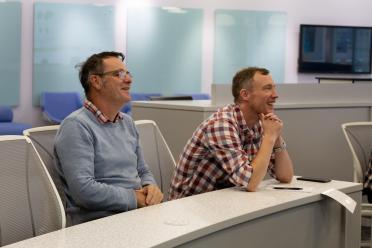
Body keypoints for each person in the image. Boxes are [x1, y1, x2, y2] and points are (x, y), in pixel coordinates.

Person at [54, 51, 163, 225]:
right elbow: (83, 191)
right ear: (96, 81)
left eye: (128, 73)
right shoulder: (76, 125)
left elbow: (142, 170)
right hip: (100, 223)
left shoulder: (127, 123)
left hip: (135, 215)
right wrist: (135, 199)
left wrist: (151, 187)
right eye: (119, 74)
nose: (128, 80)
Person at [169, 67, 294, 200]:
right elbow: (250, 182)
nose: (275, 95)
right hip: (188, 208)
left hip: (223, 201)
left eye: (274, 88)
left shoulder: (260, 123)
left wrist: (276, 136)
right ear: (245, 95)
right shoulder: (221, 125)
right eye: (267, 88)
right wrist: (269, 137)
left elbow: (285, 176)